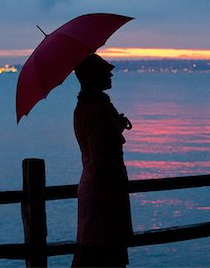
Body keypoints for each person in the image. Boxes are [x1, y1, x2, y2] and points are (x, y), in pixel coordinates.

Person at [72, 53, 133, 268]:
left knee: (95, 252)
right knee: (104, 255)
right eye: (105, 69)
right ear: (93, 76)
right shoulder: (98, 110)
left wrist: (115, 126)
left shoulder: (87, 107)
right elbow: (102, 158)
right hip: (103, 196)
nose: (110, 72)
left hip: (95, 190)